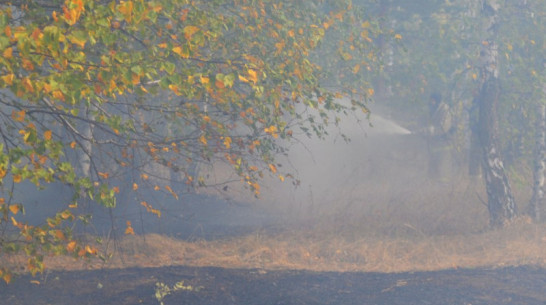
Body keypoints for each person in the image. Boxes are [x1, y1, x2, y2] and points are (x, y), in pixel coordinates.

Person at [427, 92, 453, 179]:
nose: (431, 102)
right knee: (434, 164)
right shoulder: (434, 109)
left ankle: (444, 186)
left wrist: (432, 130)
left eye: (432, 101)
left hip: (444, 142)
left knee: (443, 165)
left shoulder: (445, 110)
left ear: (437, 101)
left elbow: (444, 127)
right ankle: (433, 183)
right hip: (435, 142)